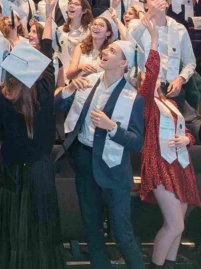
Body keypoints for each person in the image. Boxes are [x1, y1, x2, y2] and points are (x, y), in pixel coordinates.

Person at [0, 0, 65, 269]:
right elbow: (46, 53)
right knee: (40, 219)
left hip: (12, 167)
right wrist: (48, 15)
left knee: (13, 224)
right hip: (40, 166)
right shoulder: (45, 90)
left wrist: (12, 36)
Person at [54, 40, 145, 269]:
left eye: (112, 51)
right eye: (106, 49)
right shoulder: (88, 82)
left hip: (113, 169)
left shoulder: (133, 97)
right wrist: (69, 89)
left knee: (122, 233)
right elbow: (57, 108)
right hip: (84, 162)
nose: (104, 51)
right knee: (92, 230)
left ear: (124, 63)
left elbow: (136, 143)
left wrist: (112, 127)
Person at [137, 13, 200, 268]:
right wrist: (154, 39)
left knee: (178, 227)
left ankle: (170, 264)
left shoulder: (170, 102)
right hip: (159, 164)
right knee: (175, 224)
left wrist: (186, 139)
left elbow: (188, 131)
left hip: (180, 165)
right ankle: (157, 265)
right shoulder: (146, 103)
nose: (149, 77)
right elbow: (151, 70)